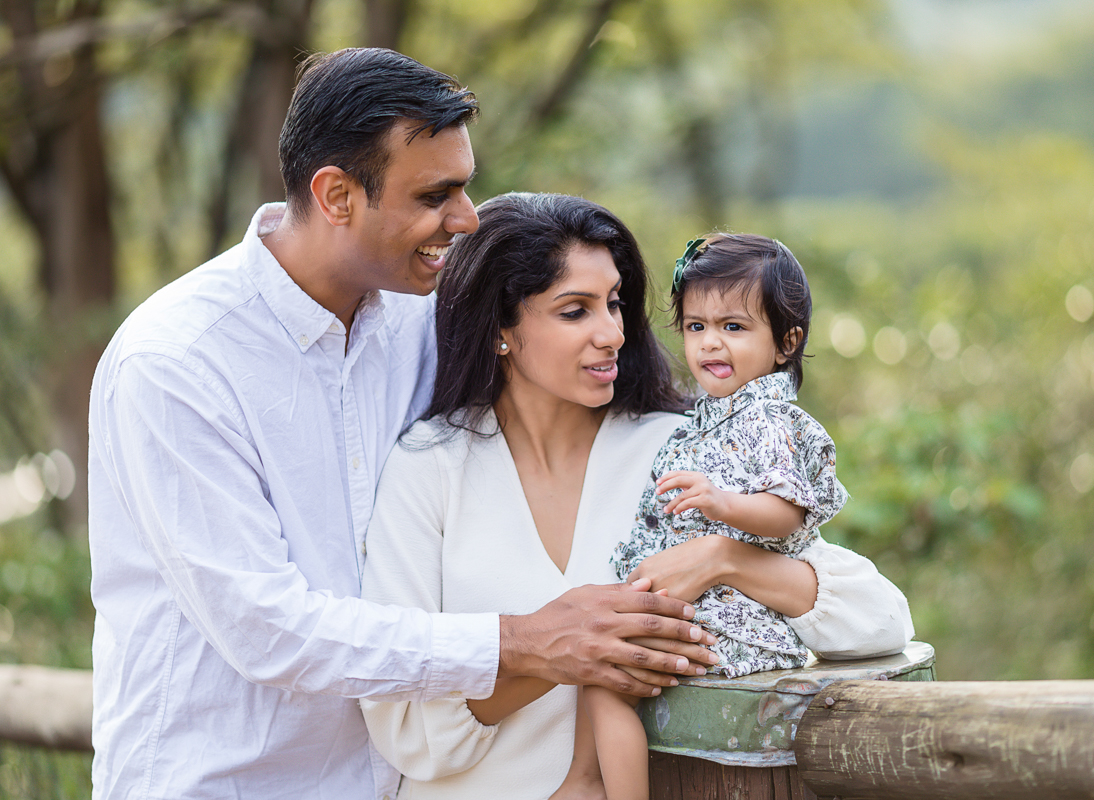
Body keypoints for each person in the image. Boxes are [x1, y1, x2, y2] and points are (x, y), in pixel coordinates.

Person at [87, 50, 710, 800]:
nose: (466, 218)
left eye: (466, 186)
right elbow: (266, 629)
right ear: (337, 195)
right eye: (435, 194)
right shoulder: (177, 364)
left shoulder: (424, 324)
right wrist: (525, 640)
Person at [360, 194, 914, 799]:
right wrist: (550, 651)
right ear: (501, 329)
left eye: (615, 303)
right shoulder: (430, 466)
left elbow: (877, 620)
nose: (613, 333)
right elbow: (409, 732)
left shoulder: (681, 450)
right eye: (575, 311)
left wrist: (726, 559)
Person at [570, 233, 850, 800]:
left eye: (734, 327)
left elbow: (786, 514)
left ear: (786, 342)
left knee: (604, 682)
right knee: (597, 670)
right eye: (697, 327)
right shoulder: (709, 417)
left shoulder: (770, 419)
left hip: (730, 615)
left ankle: (596, 787)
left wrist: (722, 503)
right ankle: (586, 782)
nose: (711, 345)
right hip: (700, 601)